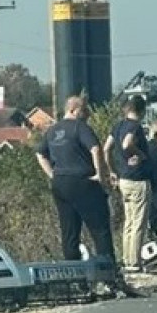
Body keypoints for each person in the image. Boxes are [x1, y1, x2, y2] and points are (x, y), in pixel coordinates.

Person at [35, 96, 116, 263]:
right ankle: (107, 271)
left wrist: (52, 174)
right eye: (84, 110)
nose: (87, 114)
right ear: (74, 110)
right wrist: (100, 175)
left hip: (60, 183)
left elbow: (40, 153)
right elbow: (95, 148)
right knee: (99, 228)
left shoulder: (52, 130)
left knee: (69, 231)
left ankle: (74, 273)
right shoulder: (80, 127)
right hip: (82, 180)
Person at [104, 95, 151, 272]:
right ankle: (134, 262)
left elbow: (106, 148)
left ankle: (126, 258)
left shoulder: (118, 126)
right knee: (138, 221)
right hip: (137, 178)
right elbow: (126, 144)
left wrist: (111, 170)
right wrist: (140, 154)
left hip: (123, 178)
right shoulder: (135, 126)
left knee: (129, 222)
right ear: (142, 110)